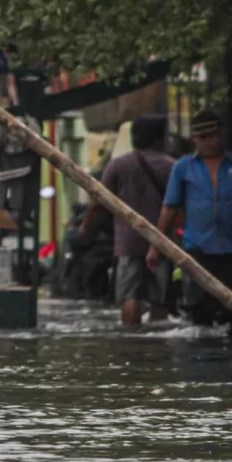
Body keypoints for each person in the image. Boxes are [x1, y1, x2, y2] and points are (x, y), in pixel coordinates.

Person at [162, 108, 232, 329]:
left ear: (221, 135)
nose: (207, 142)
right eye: (201, 137)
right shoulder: (183, 167)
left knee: (229, 307)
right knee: (198, 307)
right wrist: (155, 245)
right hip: (197, 246)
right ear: (194, 139)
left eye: (212, 136)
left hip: (230, 246)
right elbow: (170, 207)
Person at [95, 114, 176, 326]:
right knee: (160, 296)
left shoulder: (118, 165)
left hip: (127, 242)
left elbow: (98, 200)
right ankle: (156, 340)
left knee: (130, 296)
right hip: (161, 241)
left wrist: (87, 228)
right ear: (158, 138)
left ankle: (130, 338)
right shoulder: (171, 166)